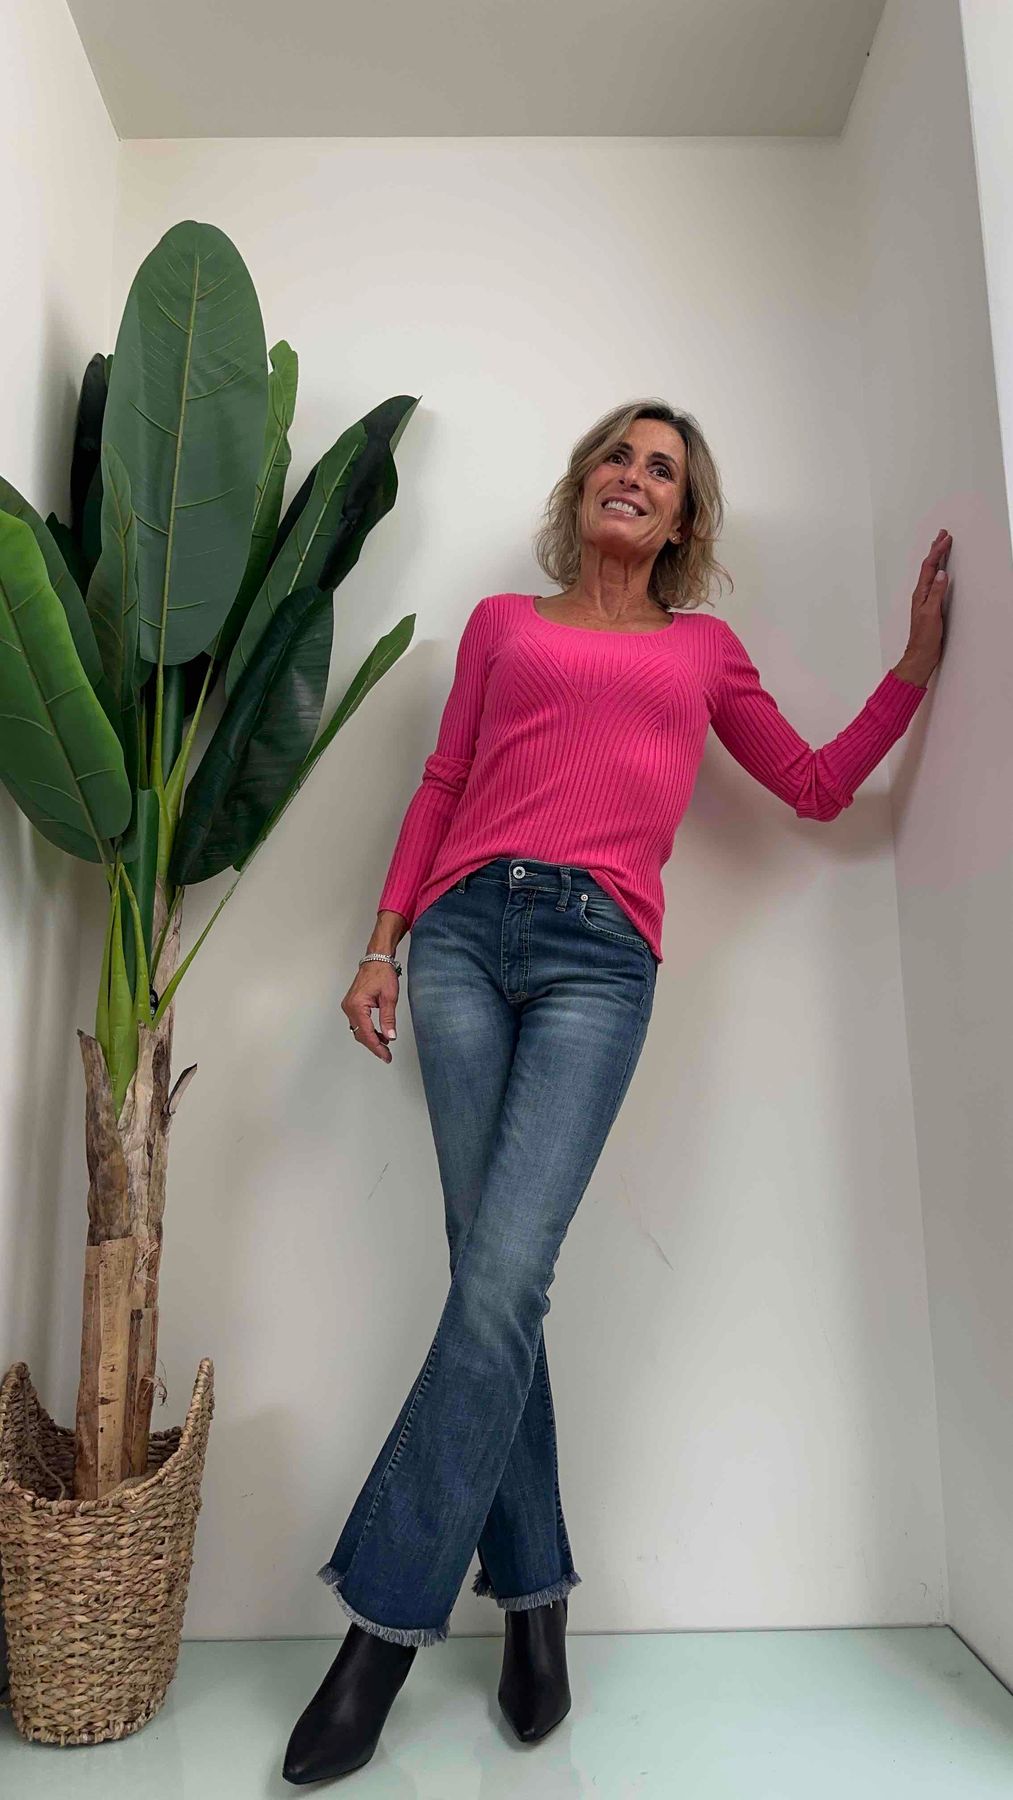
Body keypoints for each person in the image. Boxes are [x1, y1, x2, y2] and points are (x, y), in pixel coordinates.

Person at [283, 399, 949, 1784]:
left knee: (500, 1276)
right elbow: (443, 780)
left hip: (597, 961)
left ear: (683, 519)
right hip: (461, 942)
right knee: (491, 1280)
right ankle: (534, 1604)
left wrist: (908, 671)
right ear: (582, 482)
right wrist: (381, 944)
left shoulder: (700, 652)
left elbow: (813, 787)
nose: (632, 476)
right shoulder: (500, 626)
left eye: (662, 469)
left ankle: (379, 1636)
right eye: (618, 455)